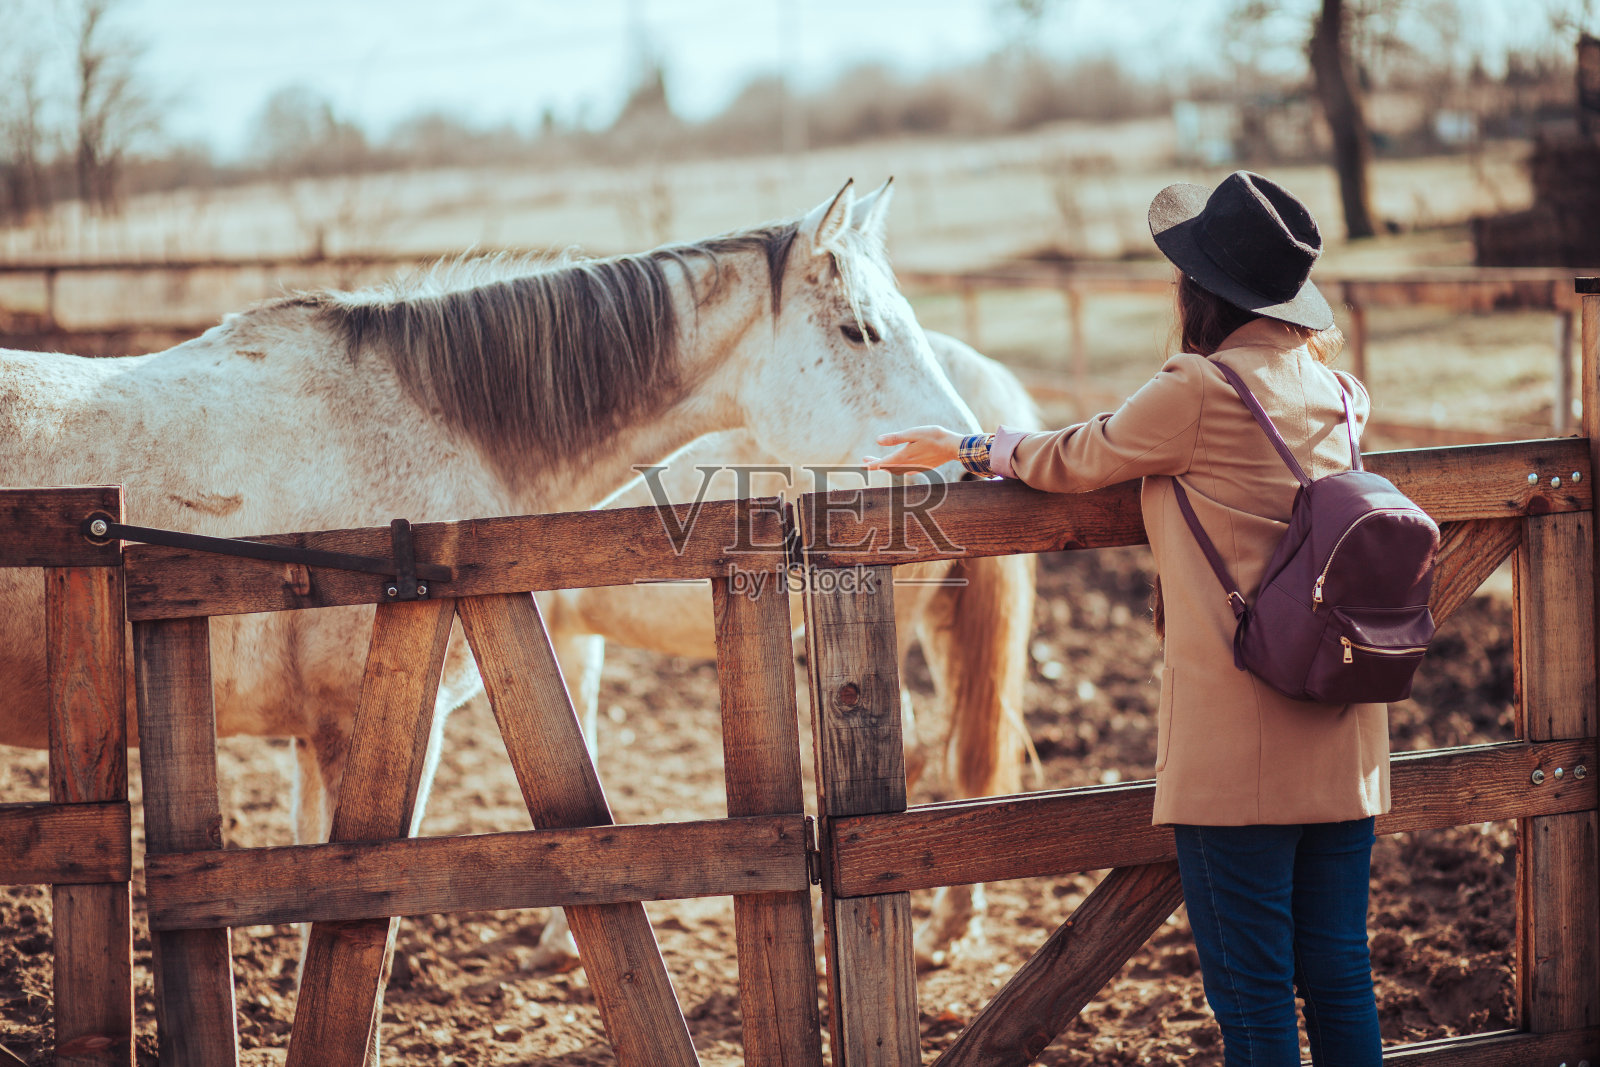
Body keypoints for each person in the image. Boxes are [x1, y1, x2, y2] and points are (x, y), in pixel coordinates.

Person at [865, 171, 1386, 1067]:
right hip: (1345, 739)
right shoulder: (1342, 395)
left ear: (1202, 290)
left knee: (1255, 998)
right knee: (1339, 973)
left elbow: (1078, 455)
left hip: (1237, 755)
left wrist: (969, 446)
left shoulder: (1197, 391)